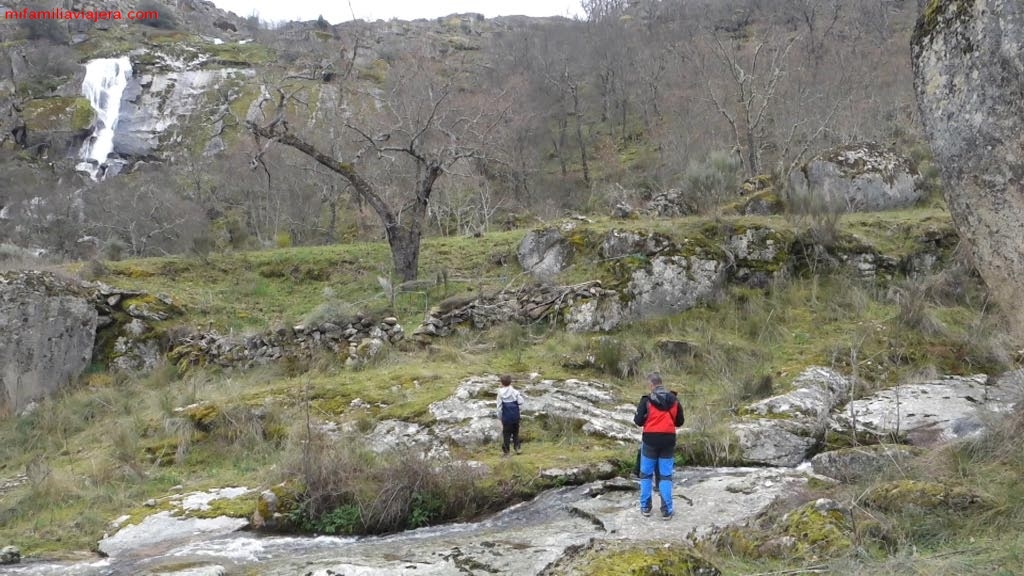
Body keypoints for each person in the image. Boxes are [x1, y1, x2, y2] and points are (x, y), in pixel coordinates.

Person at [634, 373, 684, 520]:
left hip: (650, 440)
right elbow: (680, 422)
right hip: (668, 441)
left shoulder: (647, 400)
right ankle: (667, 510)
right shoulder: (674, 400)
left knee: (646, 475)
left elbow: (638, 421)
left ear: (651, 385)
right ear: (661, 384)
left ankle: (645, 507)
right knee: (665, 476)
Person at [496, 374, 524, 456]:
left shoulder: (500, 393)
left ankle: (506, 451)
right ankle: (517, 448)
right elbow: (521, 402)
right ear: (510, 382)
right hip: (515, 416)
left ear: (501, 383)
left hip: (506, 417)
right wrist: (519, 412)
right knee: (515, 433)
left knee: (506, 434)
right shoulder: (515, 392)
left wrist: (500, 417)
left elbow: (499, 407)